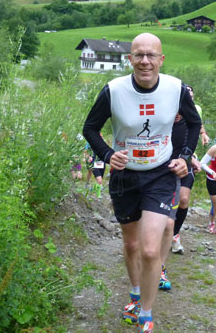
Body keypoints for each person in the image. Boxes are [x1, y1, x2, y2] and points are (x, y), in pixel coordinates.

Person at [83, 33, 201, 333]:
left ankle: (146, 313)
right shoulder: (113, 90)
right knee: (132, 244)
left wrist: (185, 157)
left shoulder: (176, 89)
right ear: (130, 59)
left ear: (161, 59)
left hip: (161, 174)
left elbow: (194, 123)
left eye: (151, 55)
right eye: (139, 55)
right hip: (125, 176)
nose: (145, 61)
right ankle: (135, 293)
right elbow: (90, 128)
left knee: (149, 249)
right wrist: (108, 155)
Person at [172, 85, 204, 254]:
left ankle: (174, 234)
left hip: (185, 163)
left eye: (191, 97)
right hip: (165, 164)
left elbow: (195, 134)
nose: (188, 100)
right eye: (186, 97)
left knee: (183, 199)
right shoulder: (167, 115)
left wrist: (192, 158)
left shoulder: (192, 117)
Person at [84, 134, 107, 199]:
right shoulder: (90, 142)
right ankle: (98, 196)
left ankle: (93, 189)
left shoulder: (103, 144)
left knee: (99, 181)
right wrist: (88, 157)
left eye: (101, 138)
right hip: (93, 162)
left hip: (101, 163)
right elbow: (85, 152)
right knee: (98, 180)